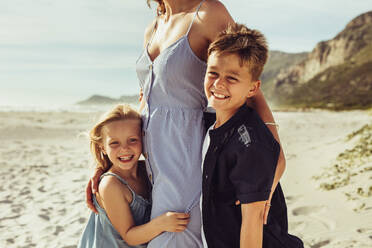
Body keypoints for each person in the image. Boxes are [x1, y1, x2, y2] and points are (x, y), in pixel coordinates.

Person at [87, 1, 286, 247]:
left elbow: (248, 84)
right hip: (153, 160)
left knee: (178, 236)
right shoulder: (154, 27)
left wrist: (275, 152)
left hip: (186, 155)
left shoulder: (208, 13)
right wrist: (108, 163)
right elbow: (151, 102)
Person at [201, 23, 304, 247]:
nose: (218, 83)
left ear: (252, 89)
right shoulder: (210, 125)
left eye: (232, 78)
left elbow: (254, 219)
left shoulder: (250, 143)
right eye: (213, 73)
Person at [78, 104, 190, 248]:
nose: (124, 148)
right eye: (114, 143)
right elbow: (130, 236)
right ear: (103, 148)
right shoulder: (111, 185)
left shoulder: (147, 169)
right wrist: (162, 224)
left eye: (132, 140)